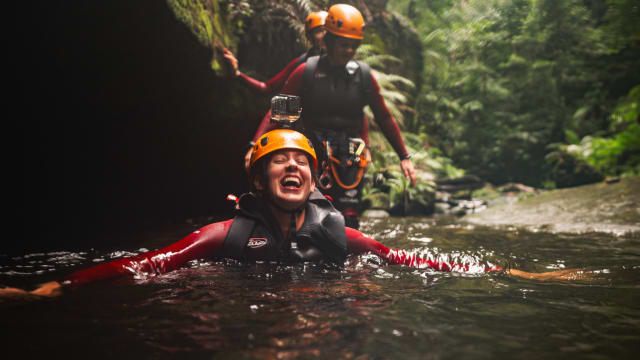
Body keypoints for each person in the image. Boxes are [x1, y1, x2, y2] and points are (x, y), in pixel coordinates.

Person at [1, 130, 587, 298]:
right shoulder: (221, 237)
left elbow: (411, 260)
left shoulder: (337, 232)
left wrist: (518, 276)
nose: (291, 168)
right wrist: (56, 286)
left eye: (300, 163)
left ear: (315, 178)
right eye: (277, 162)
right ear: (258, 180)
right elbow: (148, 264)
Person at [245, 4, 416, 229]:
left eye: (354, 45)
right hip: (313, 150)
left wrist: (404, 156)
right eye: (345, 44)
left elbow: (384, 117)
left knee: (349, 217)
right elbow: (278, 113)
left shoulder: (364, 77)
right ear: (330, 40)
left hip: (350, 155)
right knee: (311, 211)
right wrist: (254, 145)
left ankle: (351, 259)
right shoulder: (306, 71)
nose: (349, 50)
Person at [223, 11, 328, 96]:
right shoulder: (302, 66)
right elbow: (267, 88)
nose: (325, 35)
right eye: (320, 31)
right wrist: (238, 74)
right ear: (309, 37)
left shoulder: (343, 65)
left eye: (328, 31)